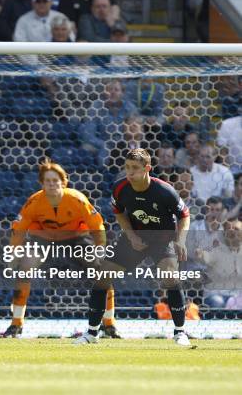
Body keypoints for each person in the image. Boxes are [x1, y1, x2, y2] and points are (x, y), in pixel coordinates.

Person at [74, 148, 192, 346]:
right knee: (102, 278)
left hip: (162, 239)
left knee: (170, 276)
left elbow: (184, 215)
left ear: (147, 168)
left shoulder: (164, 190)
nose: (130, 172)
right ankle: (92, 333)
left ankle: (180, 333)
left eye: (135, 168)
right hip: (134, 239)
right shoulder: (120, 188)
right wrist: (131, 236)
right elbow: (119, 212)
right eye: (127, 167)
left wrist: (180, 240)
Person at [0, 159, 120, 339]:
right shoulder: (34, 202)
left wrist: (100, 248)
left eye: (55, 180)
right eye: (48, 181)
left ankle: (109, 325)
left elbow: (97, 224)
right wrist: (14, 253)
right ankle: (16, 325)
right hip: (43, 239)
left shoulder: (77, 199)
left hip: (76, 238)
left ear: (64, 181)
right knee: (24, 271)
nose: (52, 184)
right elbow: (19, 229)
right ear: (42, 183)